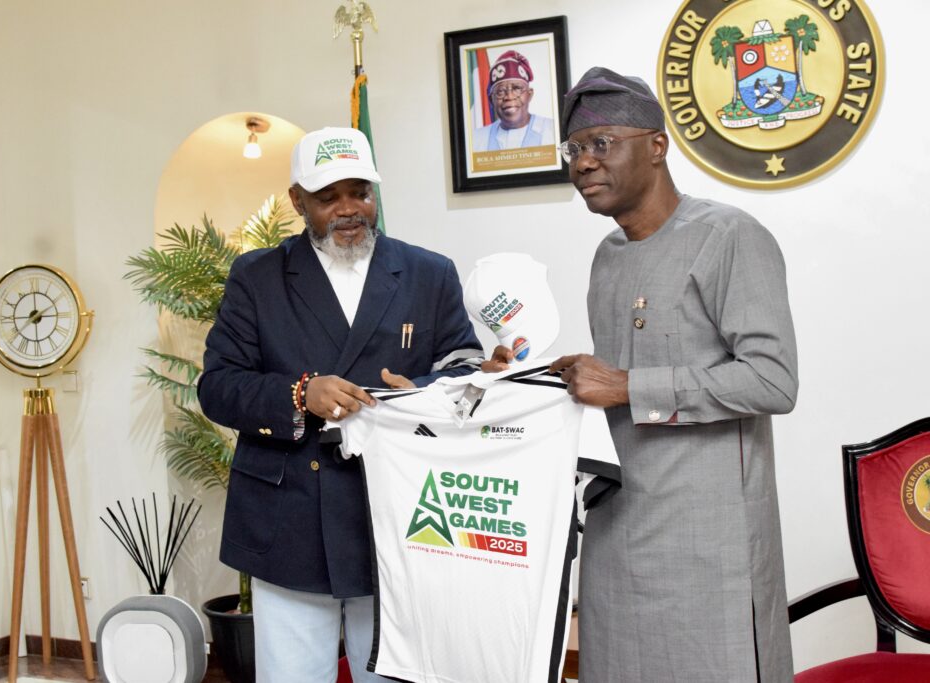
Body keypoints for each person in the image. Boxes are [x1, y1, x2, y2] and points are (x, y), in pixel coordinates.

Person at [486, 67, 799, 682]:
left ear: (657, 146)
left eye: (602, 143)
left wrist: (629, 386)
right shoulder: (609, 256)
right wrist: (537, 379)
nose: (582, 163)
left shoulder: (729, 236)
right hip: (616, 531)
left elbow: (772, 380)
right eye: (574, 148)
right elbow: (618, 380)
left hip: (708, 548)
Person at [198, 126, 483, 683]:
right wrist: (299, 394)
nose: (349, 209)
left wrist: (431, 390)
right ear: (297, 202)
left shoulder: (430, 273)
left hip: (397, 517)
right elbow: (218, 387)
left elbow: (463, 369)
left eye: (361, 192)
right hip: (289, 522)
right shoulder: (256, 277)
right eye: (329, 197)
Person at [472, 49, 555, 152]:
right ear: (491, 100)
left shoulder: (553, 131)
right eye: (500, 91)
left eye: (517, 89)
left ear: (529, 94)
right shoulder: (475, 140)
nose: (509, 96)